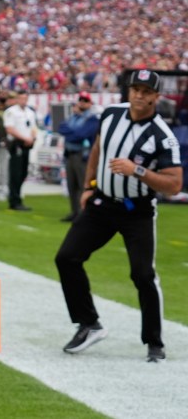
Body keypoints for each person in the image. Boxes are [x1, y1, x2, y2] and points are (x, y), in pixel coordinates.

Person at [55, 69, 182, 363]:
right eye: (135, 89)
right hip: (102, 203)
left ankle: (154, 341)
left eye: (146, 92)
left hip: (137, 210)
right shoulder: (111, 114)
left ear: (155, 97)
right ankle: (89, 324)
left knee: (143, 274)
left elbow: (174, 184)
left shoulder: (162, 135)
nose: (139, 95)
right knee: (67, 257)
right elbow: (98, 149)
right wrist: (88, 186)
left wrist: (137, 170)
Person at [57, 92, 99, 222]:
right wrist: (73, 133)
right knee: (72, 185)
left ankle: (83, 213)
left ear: (90, 103)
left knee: (83, 185)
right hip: (70, 154)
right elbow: (61, 128)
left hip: (82, 155)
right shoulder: (73, 117)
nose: (82, 102)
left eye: (85, 101)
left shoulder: (92, 118)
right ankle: (74, 211)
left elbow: (81, 134)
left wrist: (71, 133)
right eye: (81, 100)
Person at [3, 88, 37, 211]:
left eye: (25, 98)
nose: (23, 101)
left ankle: (17, 196)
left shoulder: (30, 112)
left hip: (27, 144)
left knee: (23, 172)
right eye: (21, 98)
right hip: (16, 143)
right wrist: (25, 138)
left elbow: (33, 127)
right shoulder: (11, 112)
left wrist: (32, 138)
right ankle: (14, 199)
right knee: (15, 173)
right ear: (17, 99)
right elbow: (10, 129)